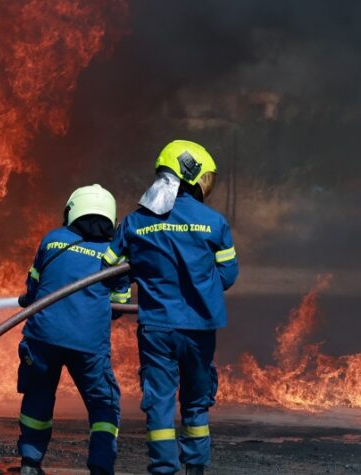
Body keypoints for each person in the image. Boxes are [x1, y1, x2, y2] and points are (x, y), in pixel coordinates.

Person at [104, 140, 239, 475]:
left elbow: (110, 268)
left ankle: (163, 470)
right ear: (193, 175)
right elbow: (228, 275)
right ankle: (195, 468)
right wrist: (198, 286)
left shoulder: (135, 223)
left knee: (160, 403)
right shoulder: (214, 223)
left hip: (156, 328)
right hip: (199, 328)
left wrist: (121, 298)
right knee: (195, 401)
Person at [16, 184, 130, 475]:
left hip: (42, 338)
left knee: (38, 396)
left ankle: (30, 463)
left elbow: (33, 291)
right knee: (103, 406)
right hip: (88, 344)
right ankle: (101, 467)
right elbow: (119, 305)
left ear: (72, 210)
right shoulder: (113, 253)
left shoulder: (53, 240)